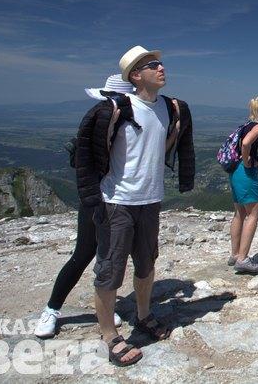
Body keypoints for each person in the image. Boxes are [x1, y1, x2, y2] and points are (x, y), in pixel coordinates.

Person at [75, 46, 195, 367]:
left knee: (146, 262)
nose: (161, 68)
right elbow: (86, 155)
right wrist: (91, 199)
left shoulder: (171, 108)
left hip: (150, 200)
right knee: (110, 269)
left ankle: (143, 316)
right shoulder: (115, 109)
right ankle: (110, 335)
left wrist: (183, 174)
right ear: (136, 76)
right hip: (117, 201)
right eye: (152, 65)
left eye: (160, 63)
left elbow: (171, 145)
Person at [34, 75, 134, 339]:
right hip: (97, 197)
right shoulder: (101, 119)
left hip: (119, 198)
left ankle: (102, 308)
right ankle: (52, 309)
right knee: (85, 253)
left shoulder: (127, 121)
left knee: (106, 256)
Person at [228, 95, 258, 275]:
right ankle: (243, 259)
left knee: (239, 213)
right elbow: (246, 143)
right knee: (254, 212)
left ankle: (235, 254)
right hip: (245, 172)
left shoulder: (246, 125)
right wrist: (247, 162)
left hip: (235, 171)